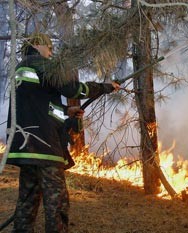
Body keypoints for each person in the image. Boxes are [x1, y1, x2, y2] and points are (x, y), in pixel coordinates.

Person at [6, 32, 119, 233]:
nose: (51, 52)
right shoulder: (41, 64)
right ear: (38, 45)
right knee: (56, 203)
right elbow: (74, 89)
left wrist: (67, 111)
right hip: (44, 147)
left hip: (25, 146)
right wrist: (104, 87)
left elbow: (39, 106)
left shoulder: (23, 68)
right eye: (49, 48)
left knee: (27, 201)